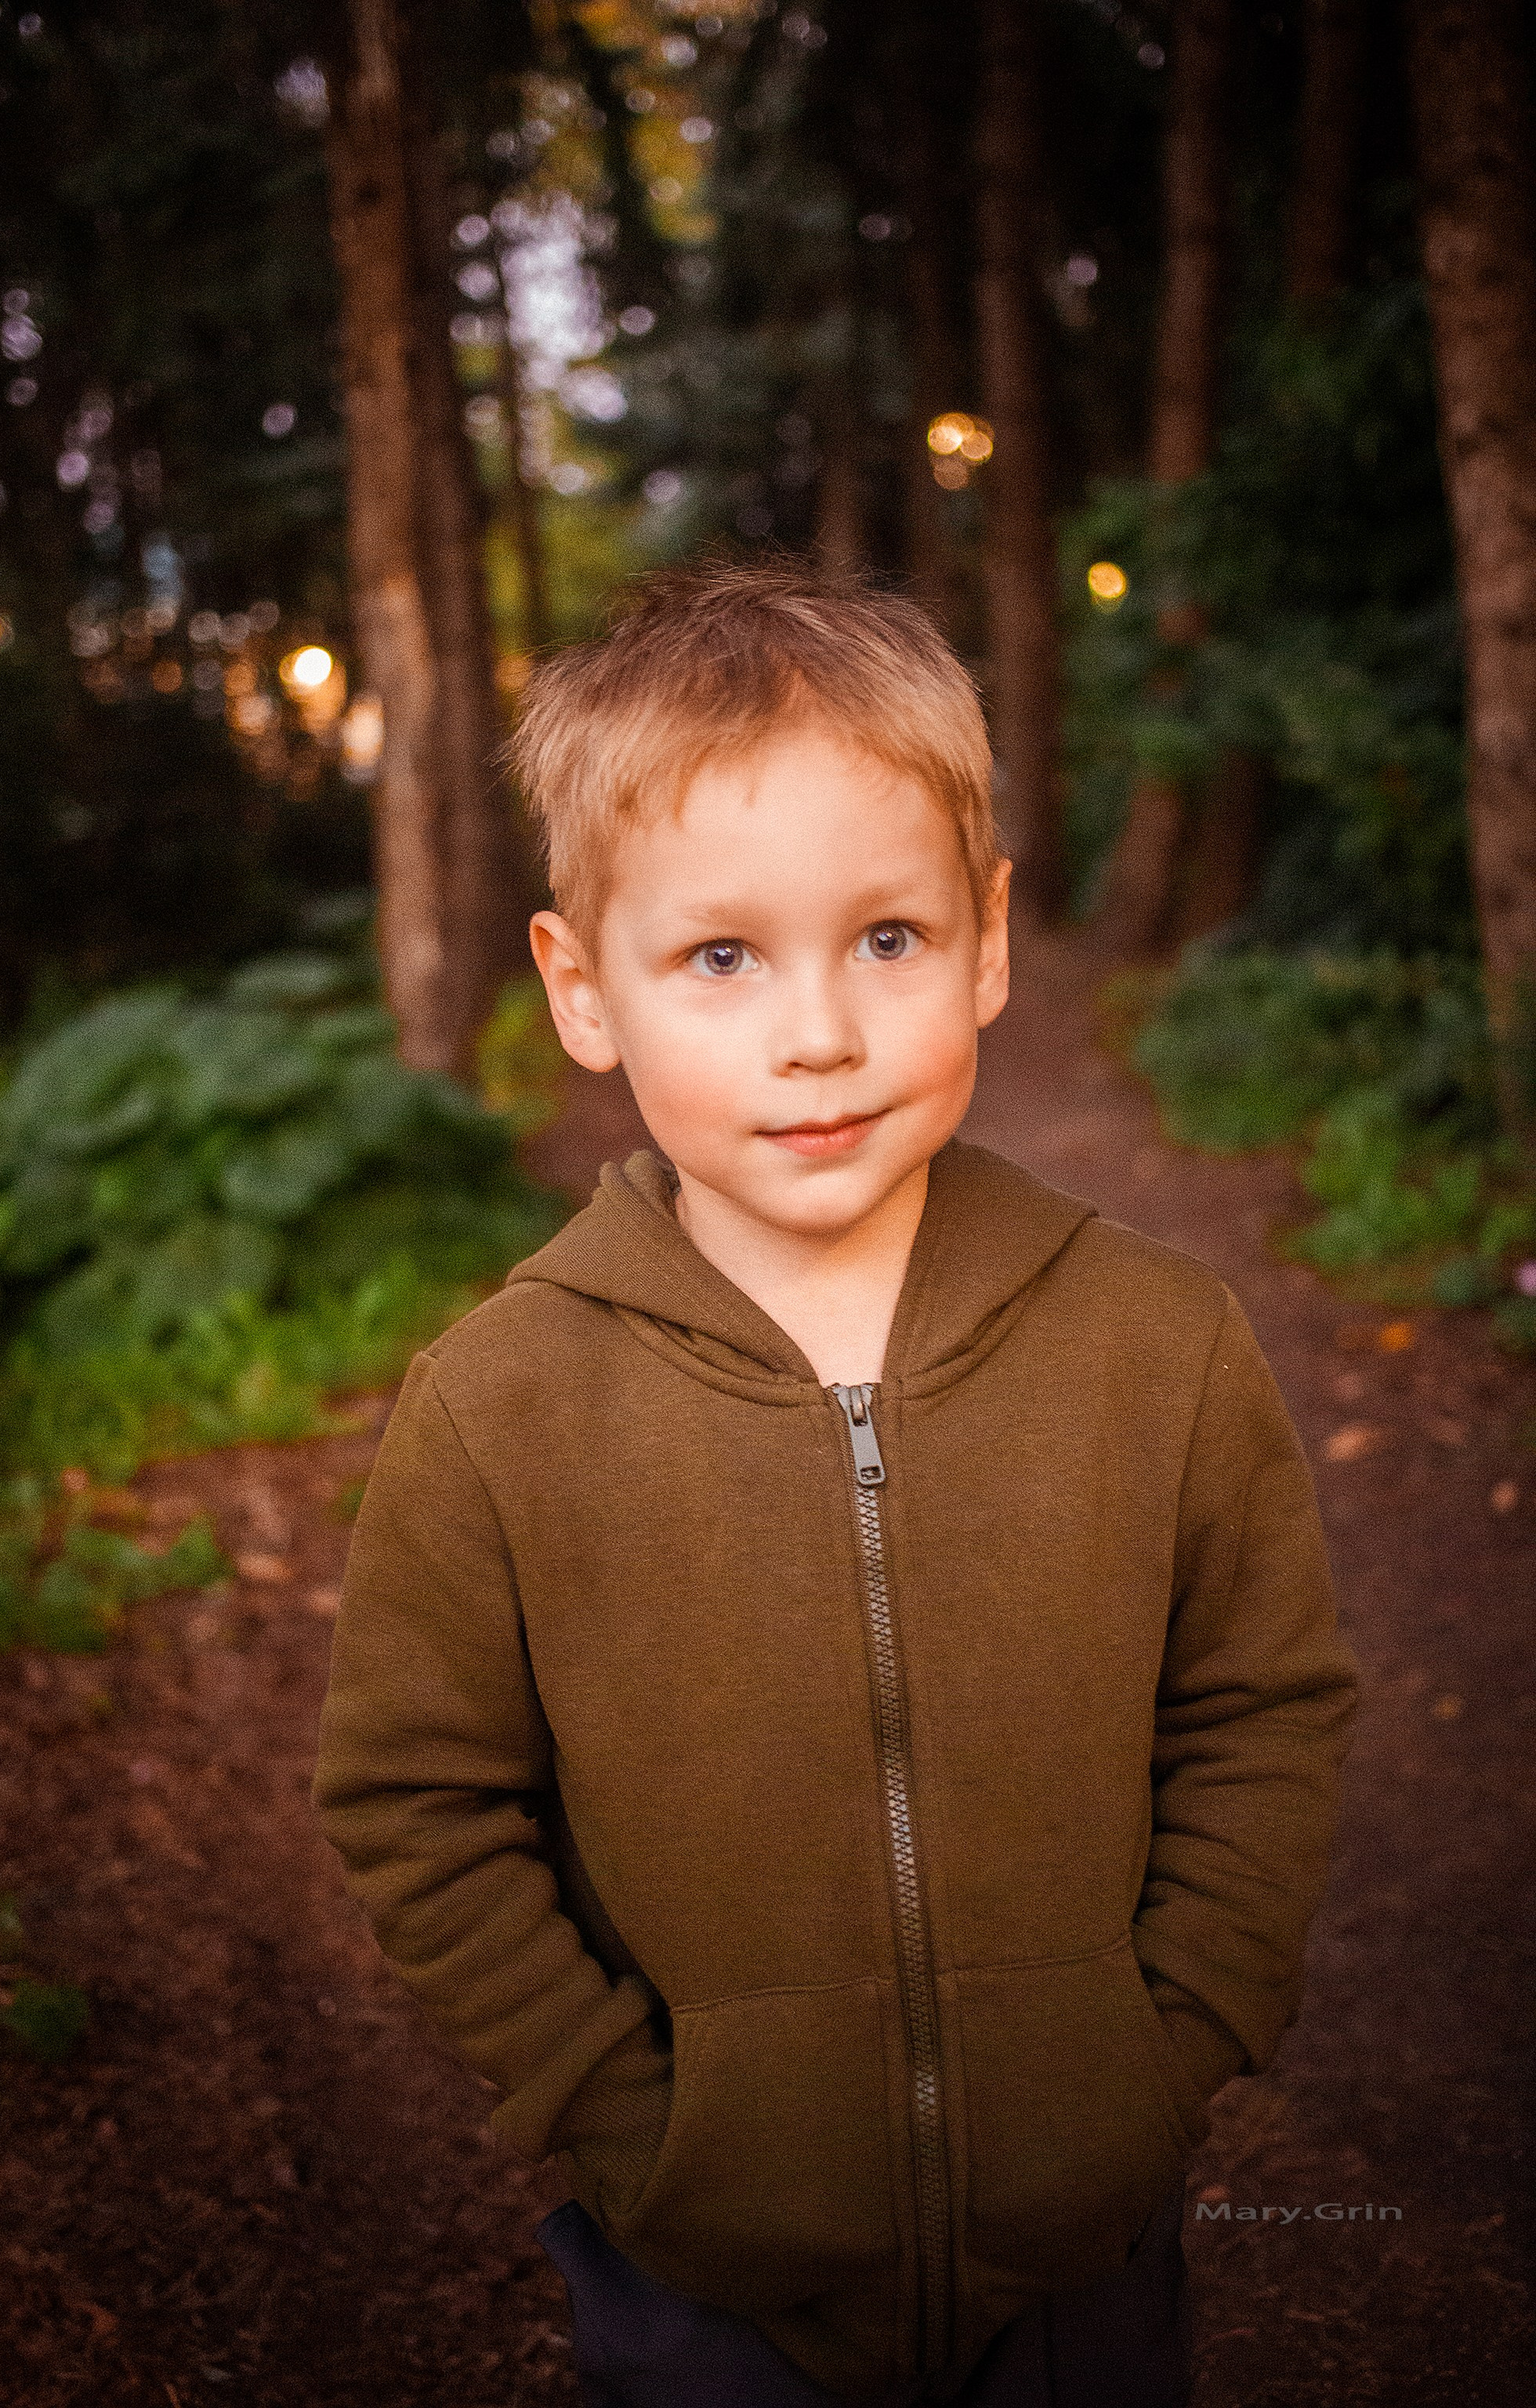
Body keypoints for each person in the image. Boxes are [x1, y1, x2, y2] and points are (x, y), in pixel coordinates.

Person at [313, 561, 1359, 2408]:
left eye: (885, 937)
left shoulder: (1156, 1345)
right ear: (582, 989)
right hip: (704, 2276)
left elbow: (1259, 1708)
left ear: (987, 940)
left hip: (1082, 2247)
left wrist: (1168, 2043)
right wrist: (628, 2125)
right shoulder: (501, 1406)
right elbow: (418, 1799)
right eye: (722, 956)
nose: (819, 1032)